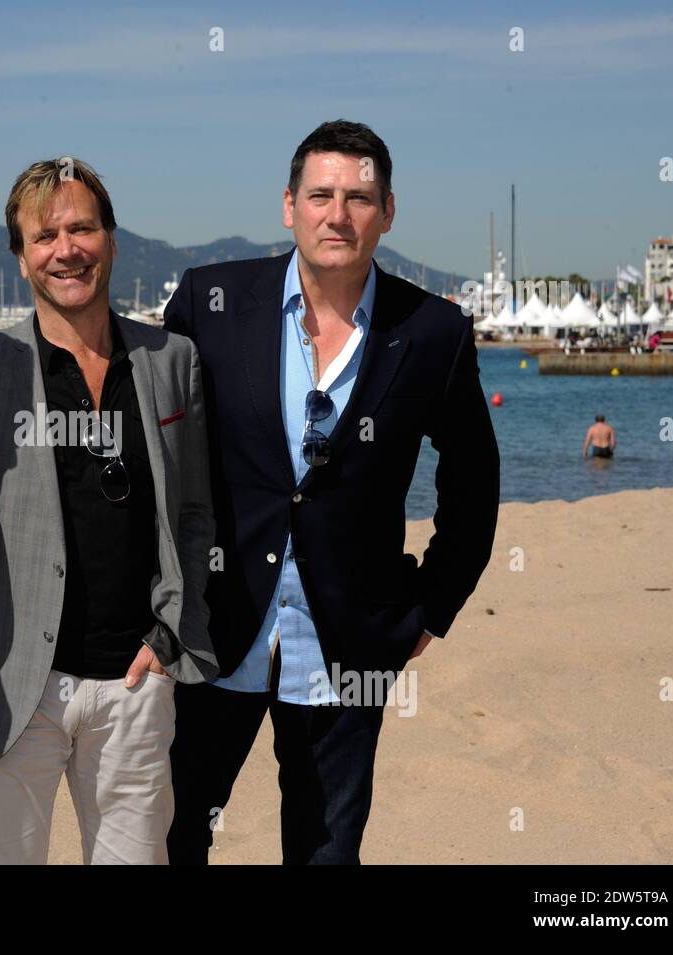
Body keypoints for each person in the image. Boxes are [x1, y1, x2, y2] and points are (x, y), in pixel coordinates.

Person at [163, 119, 501, 864]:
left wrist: (431, 606)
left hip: (353, 642)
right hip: (214, 626)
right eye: (321, 194)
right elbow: (157, 449)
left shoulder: (435, 331)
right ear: (289, 205)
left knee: (325, 852)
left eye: (359, 197)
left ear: (387, 212)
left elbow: (473, 480)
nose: (337, 214)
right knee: (175, 835)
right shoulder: (208, 301)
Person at [0, 157, 218, 864]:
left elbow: (198, 513)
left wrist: (173, 631)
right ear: (21, 256)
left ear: (112, 241)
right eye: (45, 235)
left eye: (82, 228)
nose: (67, 248)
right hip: (7, 688)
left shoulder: (172, 359)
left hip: (137, 684)